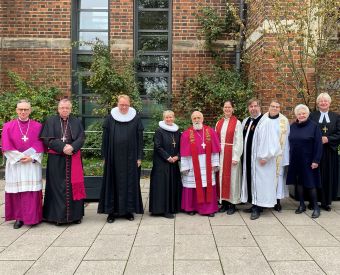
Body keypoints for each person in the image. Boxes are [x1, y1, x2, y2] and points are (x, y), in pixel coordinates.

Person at [98, 94, 144, 223]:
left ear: (130, 104)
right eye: (121, 104)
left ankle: (128, 211)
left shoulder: (136, 118)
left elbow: (140, 139)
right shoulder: (110, 118)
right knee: (112, 183)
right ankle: (112, 212)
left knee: (130, 183)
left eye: (126, 105)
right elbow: (105, 139)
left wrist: (139, 156)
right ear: (117, 104)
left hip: (131, 157)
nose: (124, 107)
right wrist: (104, 156)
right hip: (113, 157)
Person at [40, 98, 86, 225]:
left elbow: (81, 138)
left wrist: (72, 147)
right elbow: (46, 139)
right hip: (56, 159)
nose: (65, 110)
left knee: (73, 185)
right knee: (56, 187)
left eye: (67, 108)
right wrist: (62, 147)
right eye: (62, 108)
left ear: (70, 109)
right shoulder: (51, 121)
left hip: (73, 157)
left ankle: (75, 216)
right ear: (58, 108)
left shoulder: (76, 121)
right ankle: (57, 217)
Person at [1, 100, 44, 229]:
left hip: (32, 164)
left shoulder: (38, 126)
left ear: (30, 110)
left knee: (32, 191)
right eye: (20, 109)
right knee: (18, 191)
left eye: (26, 109)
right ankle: (19, 218)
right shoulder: (8, 126)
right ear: (16, 110)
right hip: (16, 164)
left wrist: (32, 158)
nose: (23, 112)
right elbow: (5, 146)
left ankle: (33, 217)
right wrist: (20, 157)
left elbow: (41, 144)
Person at [241, 98, 281, 220]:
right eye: (251, 106)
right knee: (252, 182)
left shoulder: (265, 122)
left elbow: (271, 141)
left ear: (260, 107)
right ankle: (253, 203)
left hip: (261, 160)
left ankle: (257, 208)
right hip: (248, 159)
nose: (253, 108)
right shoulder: (246, 121)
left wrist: (266, 156)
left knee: (260, 183)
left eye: (255, 106)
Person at [180, 111, 220, 217]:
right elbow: (184, 153)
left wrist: (215, 163)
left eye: (199, 118)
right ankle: (191, 208)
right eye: (194, 118)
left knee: (208, 185)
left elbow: (215, 150)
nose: (197, 120)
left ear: (202, 119)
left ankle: (209, 209)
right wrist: (185, 166)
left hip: (208, 164)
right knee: (192, 185)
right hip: (192, 164)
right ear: (191, 120)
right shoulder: (186, 134)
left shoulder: (210, 131)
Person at [287, 104, 323, 218]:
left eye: (304, 113)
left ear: (307, 114)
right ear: (296, 115)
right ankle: (301, 205)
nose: (301, 115)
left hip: (309, 160)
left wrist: (316, 160)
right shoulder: (292, 126)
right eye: (299, 113)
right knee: (299, 183)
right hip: (296, 159)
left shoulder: (314, 127)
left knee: (311, 184)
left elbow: (318, 144)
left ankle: (316, 207)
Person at [149, 110, 182, 219]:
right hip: (162, 163)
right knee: (163, 185)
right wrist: (168, 157)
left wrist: (178, 156)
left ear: (174, 118)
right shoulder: (159, 131)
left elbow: (182, 146)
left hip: (174, 162)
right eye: (167, 117)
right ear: (164, 118)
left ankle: (173, 207)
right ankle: (162, 210)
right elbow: (157, 146)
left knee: (172, 184)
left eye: (171, 117)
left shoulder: (177, 131)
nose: (169, 119)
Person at [310, 93, 340, 211]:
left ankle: (325, 202)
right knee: (314, 176)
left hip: (329, 151)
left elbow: (339, 133)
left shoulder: (336, 117)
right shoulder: (312, 116)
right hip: (315, 151)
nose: (323, 103)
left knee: (327, 176)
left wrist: (328, 139)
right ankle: (313, 201)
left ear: (329, 103)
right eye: (321, 101)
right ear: (317, 103)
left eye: (325, 101)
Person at [215, 100, 243, 215]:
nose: (227, 109)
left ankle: (233, 203)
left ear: (233, 109)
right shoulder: (219, 122)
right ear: (223, 109)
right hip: (221, 154)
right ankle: (224, 203)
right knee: (221, 178)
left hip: (232, 154)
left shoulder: (237, 123)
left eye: (229, 107)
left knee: (232, 179)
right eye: (225, 107)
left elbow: (239, 141)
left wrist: (236, 156)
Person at [264, 100, 290, 212]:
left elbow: (287, 140)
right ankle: (266, 199)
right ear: (269, 107)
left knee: (278, 177)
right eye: (272, 106)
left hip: (279, 154)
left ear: (280, 109)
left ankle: (277, 201)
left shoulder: (284, 121)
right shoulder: (263, 119)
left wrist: (286, 157)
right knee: (267, 177)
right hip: (266, 154)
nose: (274, 108)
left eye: (277, 107)